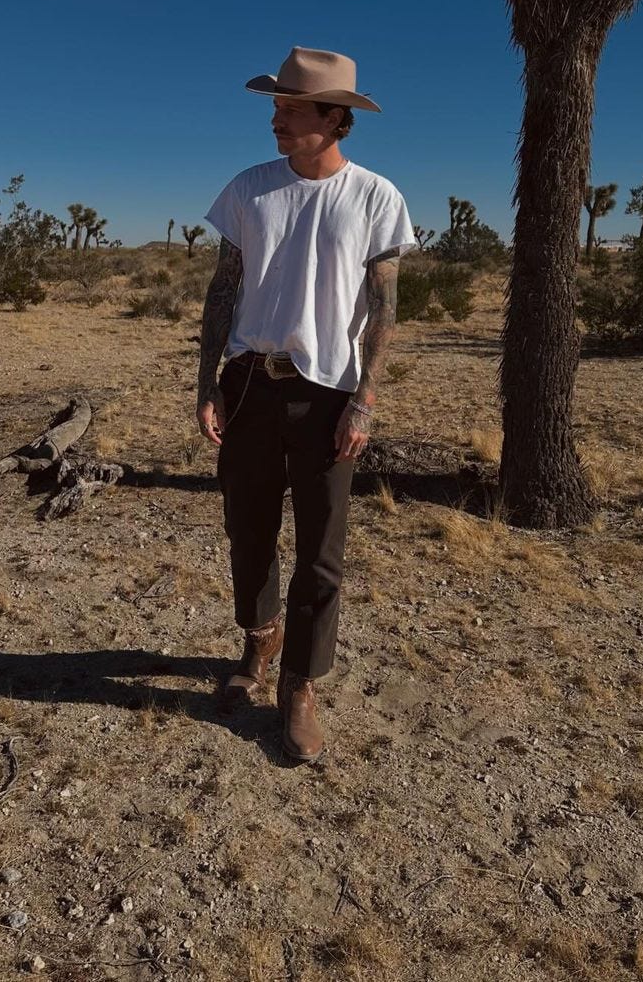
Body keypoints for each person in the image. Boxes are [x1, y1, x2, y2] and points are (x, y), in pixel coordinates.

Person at [196, 46, 414, 762]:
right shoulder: (249, 189)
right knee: (248, 531)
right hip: (251, 383)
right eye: (277, 106)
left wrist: (366, 402)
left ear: (334, 118)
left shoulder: (376, 197)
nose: (276, 118)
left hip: (329, 393)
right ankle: (259, 644)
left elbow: (383, 310)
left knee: (321, 553)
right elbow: (223, 291)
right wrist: (206, 382)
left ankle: (300, 685)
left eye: (290, 109)